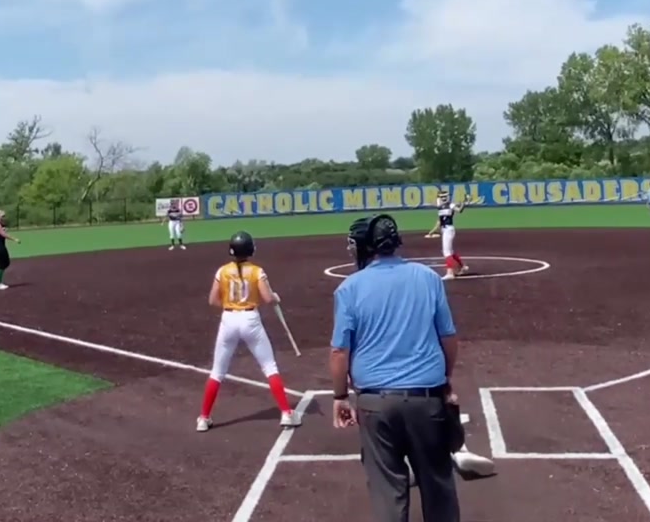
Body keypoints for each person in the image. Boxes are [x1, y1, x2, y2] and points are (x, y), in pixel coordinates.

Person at [330, 214, 492, 522]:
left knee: (387, 491)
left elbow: (339, 351)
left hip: (375, 405)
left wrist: (340, 396)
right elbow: (448, 337)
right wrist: (445, 380)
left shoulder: (348, 289)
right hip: (426, 400)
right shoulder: (428, 278)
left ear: (366, 247)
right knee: (438, 487)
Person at [197, 231, 299, 431]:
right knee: (269, 367)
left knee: (217, 371)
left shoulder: (222, 271)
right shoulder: (257, 271)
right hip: (250, 319)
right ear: (250, 249)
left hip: (228, 319)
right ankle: (287, 413)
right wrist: (275, 297)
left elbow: (213, 300)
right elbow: (268, 298)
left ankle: (203, 418)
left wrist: (231, 305)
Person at [424, 191, 467, 280]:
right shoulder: (440, 208)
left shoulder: (451, 205)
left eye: (444, 197)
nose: (443, 198)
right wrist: (432, 231)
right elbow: (439, 222)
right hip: (445, 230)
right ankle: (462, 266)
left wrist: (464, 203)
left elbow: (460, 210)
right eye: (441, 197)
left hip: (448, 229)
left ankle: (450, 273)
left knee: (446, 252)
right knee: (450, 252)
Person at [0, 210, 20, 290]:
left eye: (4, 216)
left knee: (6, 263)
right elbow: (3, 234)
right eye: (2, 216)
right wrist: (14, 239)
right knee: (2, 265)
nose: (4, 218)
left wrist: (3, 229)